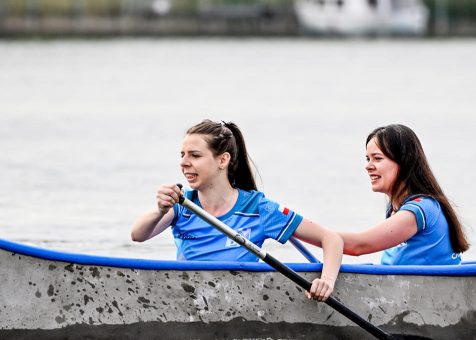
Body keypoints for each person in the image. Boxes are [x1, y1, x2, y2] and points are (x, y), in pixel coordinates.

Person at [131, 119, 343, 302]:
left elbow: (331, 239)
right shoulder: (181, 204)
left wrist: (326, 281)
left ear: (223, 160)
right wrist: (160, 210)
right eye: (182, 155)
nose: (183, 163)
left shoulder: (259, 208)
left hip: (238, 301)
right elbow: (138, 235)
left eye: (194, 155)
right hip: (190, 298)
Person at [340, 124, 469, 265]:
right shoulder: (394, 209)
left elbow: (359, 245)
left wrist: (321, 236)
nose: (368, 166)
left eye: (377, 158)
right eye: (368, 159)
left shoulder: (422, 208)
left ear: (404, 162)